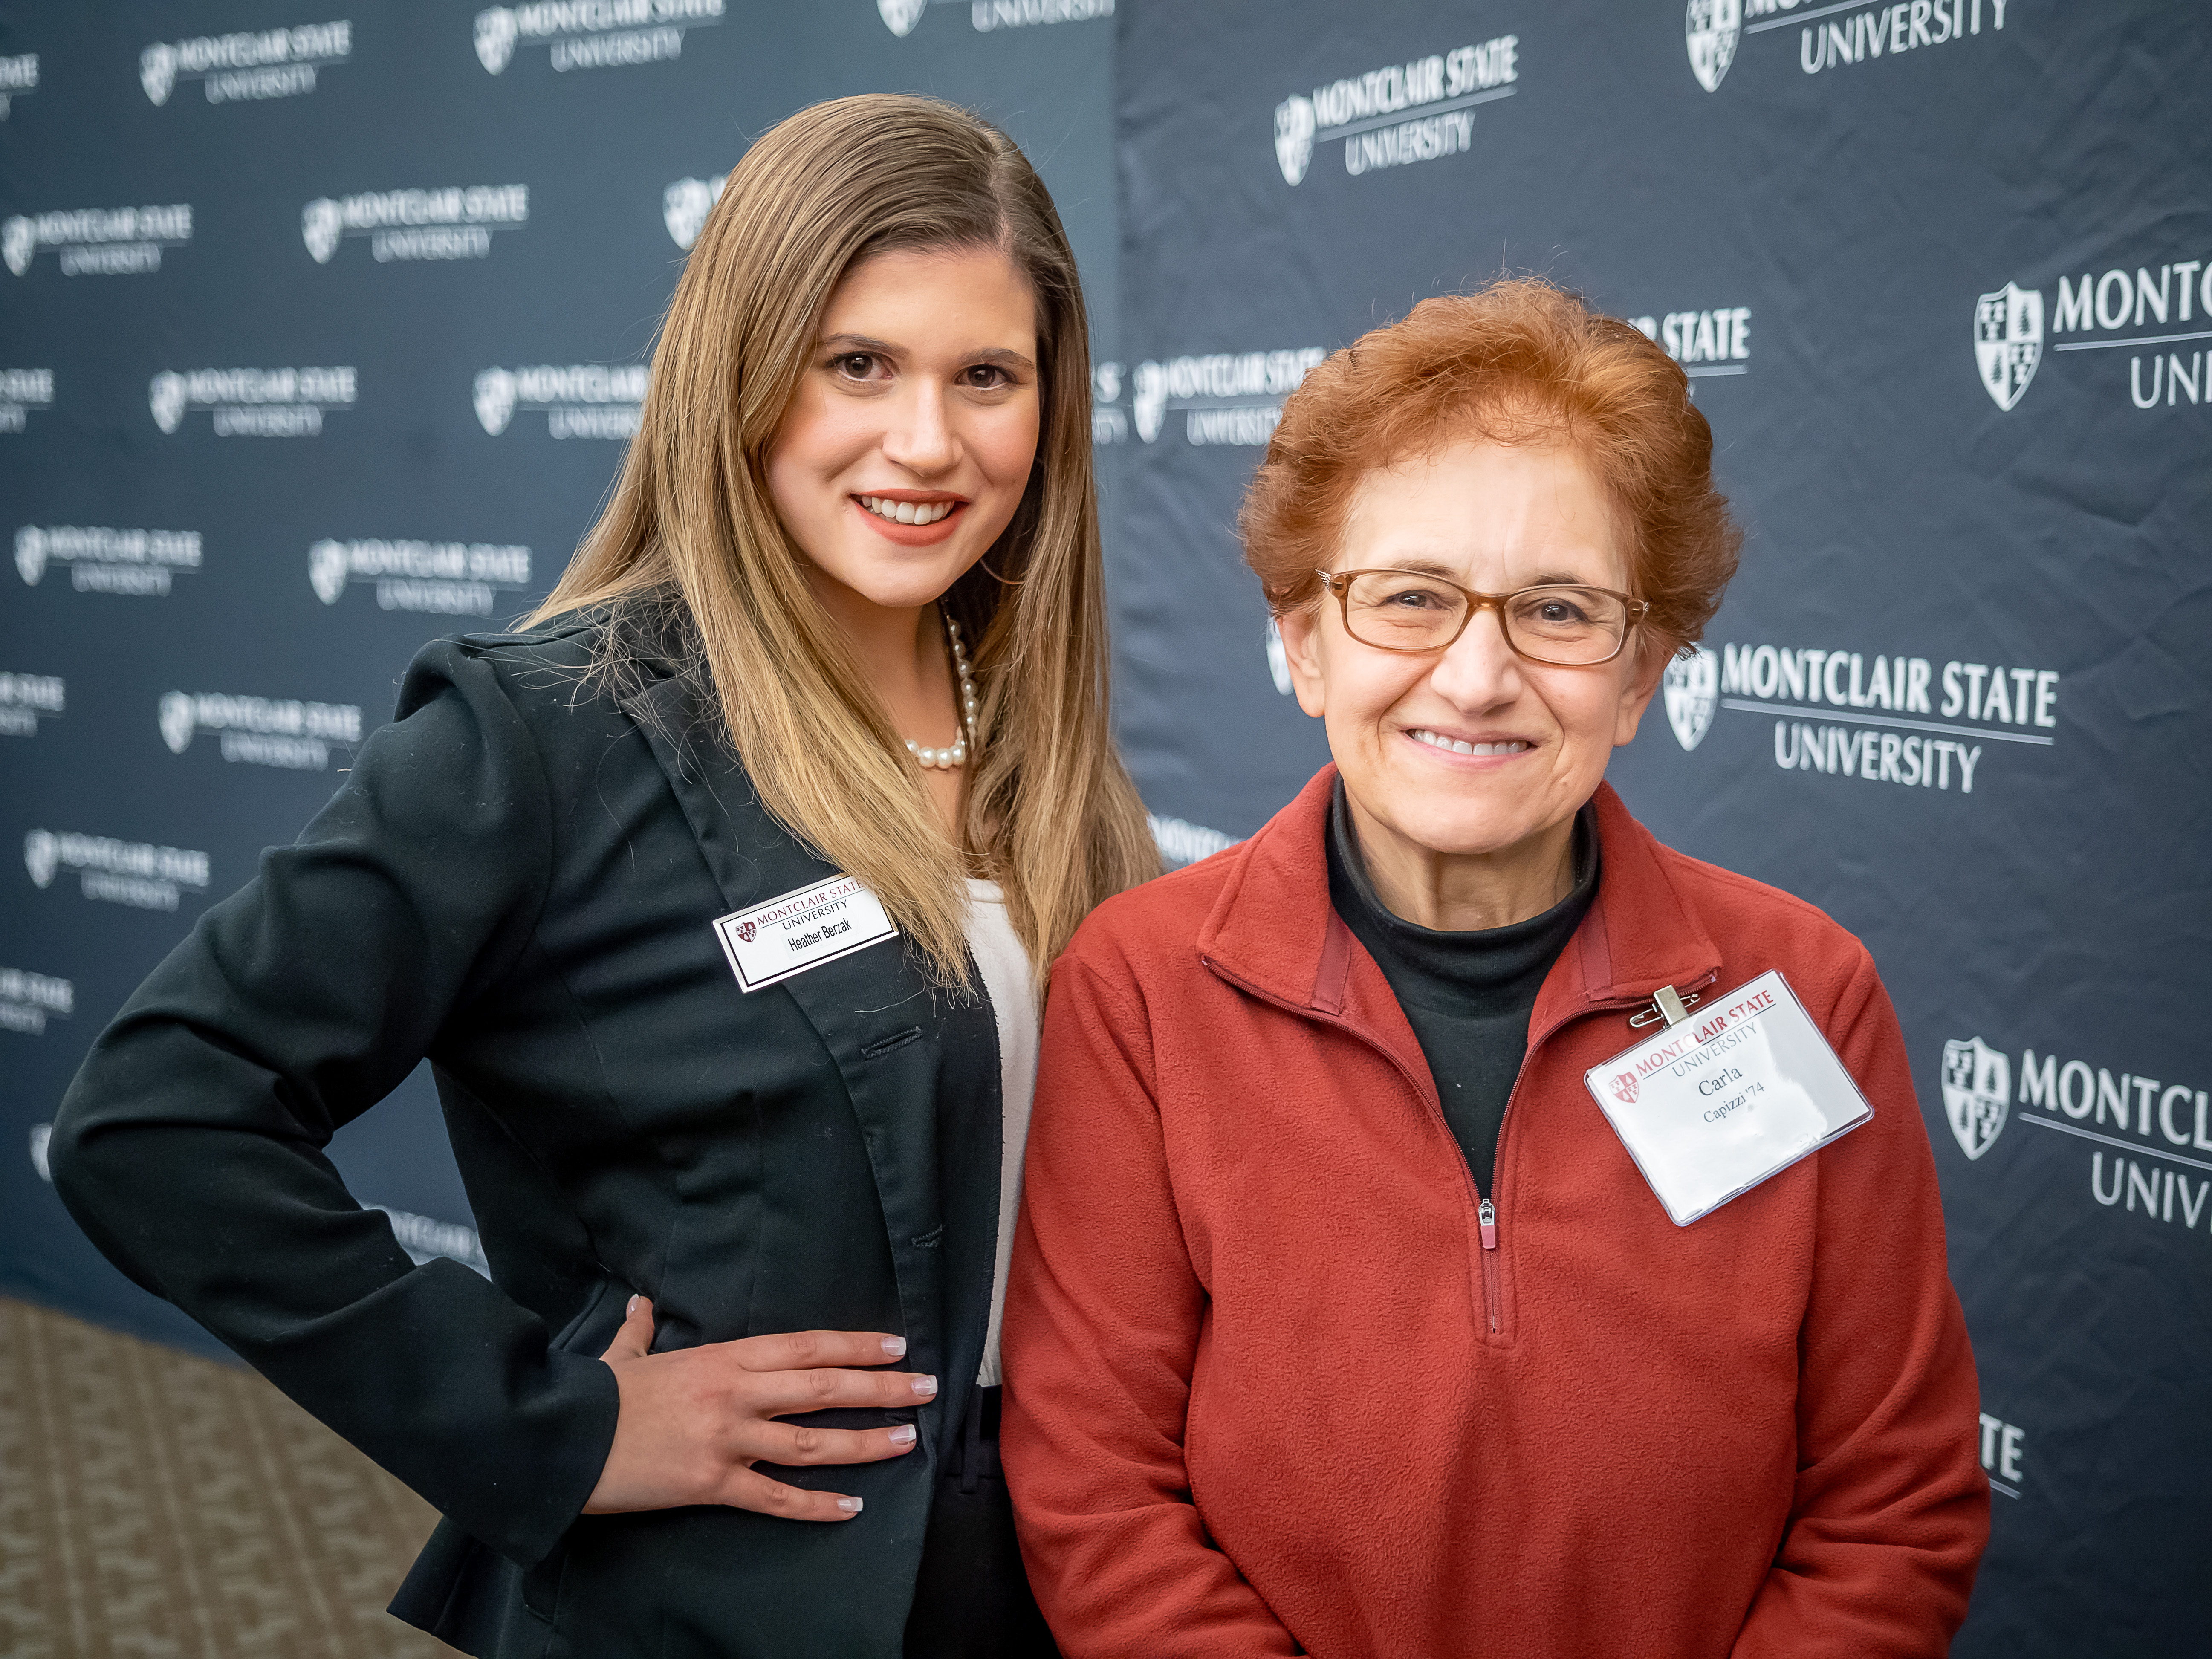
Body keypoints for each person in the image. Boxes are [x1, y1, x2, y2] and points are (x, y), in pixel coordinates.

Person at [49, 94, 1154, 1659]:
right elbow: (154, 1115)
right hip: (724, 1595)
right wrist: (547, 1418)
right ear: (743, 372)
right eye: (860, 364)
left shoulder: (1039, 729)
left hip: (1046, 1568)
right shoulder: (552, 731)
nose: (930, 441)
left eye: (989, 376)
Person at [1001, 278, 1990, 1657]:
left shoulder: (1800, 989)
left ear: (1640, 674)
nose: (1476, 676)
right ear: (1302, 641)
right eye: (1410, 598)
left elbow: (1893, 1511)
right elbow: (1099, 1497)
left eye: (1561, 611)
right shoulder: (1143, 993)